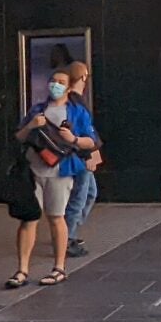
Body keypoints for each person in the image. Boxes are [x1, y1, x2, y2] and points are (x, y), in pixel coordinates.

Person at [10, 66, 96, 288]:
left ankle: (59, 268)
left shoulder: (77, 112)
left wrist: (73, 139)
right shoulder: (38, 110)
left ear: (68, 87)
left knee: (56, 217)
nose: (55, 85)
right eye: (53, 80)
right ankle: (22, 270)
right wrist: (31, 125)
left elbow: (91, 141)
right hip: (33, 170)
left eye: (60, 82)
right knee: (28, 218)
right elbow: (19, 136)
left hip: (61, 171)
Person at [64, 60, 100, 258]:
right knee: (79, 197)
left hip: (81, 153)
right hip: (79, 155)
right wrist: (88, 154)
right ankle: (67, 237)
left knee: (89, 194)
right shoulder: (74, 101)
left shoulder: (75, 100)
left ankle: (69, 232)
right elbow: (81, 130)